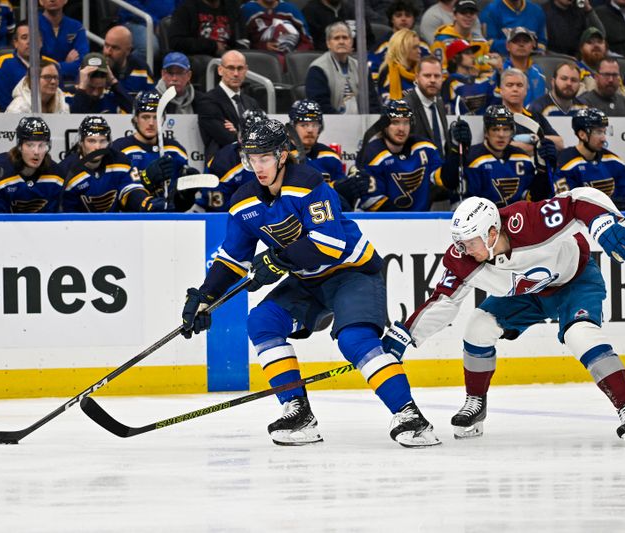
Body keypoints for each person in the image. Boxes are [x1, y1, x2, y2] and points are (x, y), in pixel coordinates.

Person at [180, 118, 440, 448]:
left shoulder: (308, 183)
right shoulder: (244, 202)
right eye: (251, 158)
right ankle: (298, 412)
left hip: (352, 274)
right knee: (261, 322)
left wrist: (277, 260)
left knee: (354, 339)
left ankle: (410, 416)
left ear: (282, 156)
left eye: (264, 158)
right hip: (307, 282)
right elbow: (233, 258)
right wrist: (205, 296)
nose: (257, 167)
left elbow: (329, 244)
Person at [381, 192, 625, 447]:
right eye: (459, 244)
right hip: (526, 294)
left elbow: (576, 201)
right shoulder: (464, 259)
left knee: (581, 335)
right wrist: (406, 334)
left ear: (492, 233)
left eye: (469, 243)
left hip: (574, 282)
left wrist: (601, 222)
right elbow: (443, 301)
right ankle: (476, 402)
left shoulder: (529, 221)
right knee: (478, 327)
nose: (463, 251)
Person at [441, 105, 555, 206]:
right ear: (486, 132)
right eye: (495, 129)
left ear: (512, 131)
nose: (501, 135)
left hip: (515, 223)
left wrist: (543, 171)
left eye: (506, 129)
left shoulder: (522, 158)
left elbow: (533, 201)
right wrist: (454, 153)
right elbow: (449, 182)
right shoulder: (471, 157)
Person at [111, 90, 193, 212]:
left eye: (156, 117)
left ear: (164, 118)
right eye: (145, 117)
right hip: (132, 222)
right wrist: (146, 178)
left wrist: (188, 193)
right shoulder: (119, 149)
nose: (151, 123)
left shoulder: (176, 150)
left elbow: (180, 205)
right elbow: (114, 195)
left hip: (170, 222)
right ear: (135, 118)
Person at [357, 99, 443, 212]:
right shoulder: (372, 153)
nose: (401, 129)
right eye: (395, 122)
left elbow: (445, 180)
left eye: (406, 122)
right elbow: (373, 202)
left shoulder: (425, 147)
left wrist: (455, 151)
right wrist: (405, 221)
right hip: (383, 225)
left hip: (421, 223)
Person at [58, 116, 153, 213]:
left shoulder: (120, 161)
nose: (97, 147)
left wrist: (146, 203)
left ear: (109, 142)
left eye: (102, 141)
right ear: (81, 142)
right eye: (91, 141)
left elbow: (132, 189)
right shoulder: (65, 171)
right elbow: (65, 215)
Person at [287, 99, 367, 210]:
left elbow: (342, 198)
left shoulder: (330, 156)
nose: (310, 130)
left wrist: (349, 190)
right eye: (304, 125)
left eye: (314, 124)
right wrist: (334, 188)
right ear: (292, 127)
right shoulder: (284, 156)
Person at [0, 116, 64, 213]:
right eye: (30, 145)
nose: (36, 152)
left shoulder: (56, 175)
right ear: (19, 146)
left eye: (41, 145)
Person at [555, 108, 625, 211]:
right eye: (598, 132)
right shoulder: (565, 165)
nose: (604, 138)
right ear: (582, 134)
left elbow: (624, 201)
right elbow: (566, 207)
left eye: (604, 132)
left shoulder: (615, 162)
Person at [192, 108, 266, 212]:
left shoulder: (278, 157)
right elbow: (217, 212)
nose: (257, 146)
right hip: (228, 217)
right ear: (240, 137)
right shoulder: (222, 162)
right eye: (251, 140)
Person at [195, 50, 261, 162]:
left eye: (240, 68)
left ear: (246, 70)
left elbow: (264, 136)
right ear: (220, 70)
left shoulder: (252, 102)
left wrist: (238, 132)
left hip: (252, 166)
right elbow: (227, 138)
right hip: (224, 166)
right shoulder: (207, 101)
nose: (236, 73)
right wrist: (247, 133)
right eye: (231, 68)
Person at [305, 21, 381, 115]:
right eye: (336, 38)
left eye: (345, 37)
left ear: (351, 42)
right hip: (330, 124)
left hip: (362, 123)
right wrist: (342, 122)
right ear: (328, 43)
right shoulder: (317, 68)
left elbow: (373, 103)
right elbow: (319, 105)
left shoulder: (362, 67)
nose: (341, 42)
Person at [498, 68, 564, 158]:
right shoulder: (495, 116)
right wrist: (536, 142)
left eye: (519, 85)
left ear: (526, 90)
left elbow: (559, 143)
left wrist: (534, 139)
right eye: (509, 85)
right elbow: (502, 147)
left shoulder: (536, 116)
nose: (515, 89)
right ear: (501, 90)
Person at [0, 20, 56, 111]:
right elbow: (2, 100)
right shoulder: (4, 64)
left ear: (41, 42)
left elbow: (59, 98)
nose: (29, 42)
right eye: (24, 37)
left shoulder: (53, 65)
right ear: (16, 43)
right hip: (13, 117)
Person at [431, 0, 492, 75]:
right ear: (454, 15)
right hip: (451, 82)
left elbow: (484, 66)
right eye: (463, 12)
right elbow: (440, 70)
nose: (468, 16)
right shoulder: (441, 40)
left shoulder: (481, 42)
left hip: (477, 82)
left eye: (472, 13)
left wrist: (490, 61)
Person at [168, 0, 245, 58]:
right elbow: (176, 42)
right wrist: (212, 46)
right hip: (199, 57)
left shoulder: (232, 8)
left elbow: (242, 40)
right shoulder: (186, 9)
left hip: (229, 56)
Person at [403, 56, 448, 156]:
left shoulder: (439, 103)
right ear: (417, 77)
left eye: (437, 76)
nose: (432, 80)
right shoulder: (405, 107)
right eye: (427, 75)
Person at [368, 0, 422, 81]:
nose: (403, 19)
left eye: (408, 15)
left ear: (413, 19)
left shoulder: (423, 45)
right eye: (398, 15)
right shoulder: (381, 46)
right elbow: (372, 73)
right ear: (392, 19)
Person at [442, 38, 496, 115]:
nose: (473, 56)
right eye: (467, 53)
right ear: (454, 58)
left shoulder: (482, 79)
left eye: (472, 53)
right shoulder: (450, 82)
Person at [241, 0, 314, 57]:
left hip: (290, 59)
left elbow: (307, 40)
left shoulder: (290, 9)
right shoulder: (247, 10)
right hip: (260, 59)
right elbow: (242, 43)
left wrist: (295, 55)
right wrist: (263, 47)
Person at [38, 0, 89, 81]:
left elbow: (82, 62)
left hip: (71, 83)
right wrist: (65, 64)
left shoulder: (76, 26)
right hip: (41, 83)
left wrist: (54, 67)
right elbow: (34, 65)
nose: (52, 0)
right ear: (41, 1)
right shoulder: (32, 26)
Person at [68, 52, 133, 114]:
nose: (95, 93)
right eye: (91, 88)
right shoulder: (68, 96)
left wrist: (113, 81)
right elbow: (74, 120)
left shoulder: (111, 97)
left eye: (100, 88)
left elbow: (134, 112)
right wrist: (82, 87)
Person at [102, 25, 154, 99]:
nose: (108, 52)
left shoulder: (141, 69)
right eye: (106, 45)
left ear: (128, 50)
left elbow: (151, 103)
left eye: (115, 48)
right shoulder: (95, 68)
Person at [301, 0, 375, 52]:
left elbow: (369, 41)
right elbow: (313, 45)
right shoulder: (310, 12)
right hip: (326, 60)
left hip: (356, 61)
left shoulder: (354, 10)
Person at [480, 0, 547, 56]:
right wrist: (516, 45)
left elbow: (542, 42)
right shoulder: (490, 11)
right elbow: (488, 43)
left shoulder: (536, 10)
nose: (521, 43)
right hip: (502, 58)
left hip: (532, 59)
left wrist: (535, 48)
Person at [500, 27, 546, 108]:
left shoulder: (539, 73)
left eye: (526, 41)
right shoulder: (500, 71)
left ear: (533, 45)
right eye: (516, 41)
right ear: (507, 46)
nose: (521, 44)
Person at [377, 29, 420, 104]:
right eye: (414, 48)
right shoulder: (387, 71)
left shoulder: (422, 70)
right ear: (403, 49)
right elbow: (386, 104)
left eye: (418, 47)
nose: (419, 51)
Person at [577, 26, 609, 94]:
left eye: (600, 42)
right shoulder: (575, 71)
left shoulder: (612, 72)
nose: (596, 45)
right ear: (581, 49)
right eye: (590, 42)